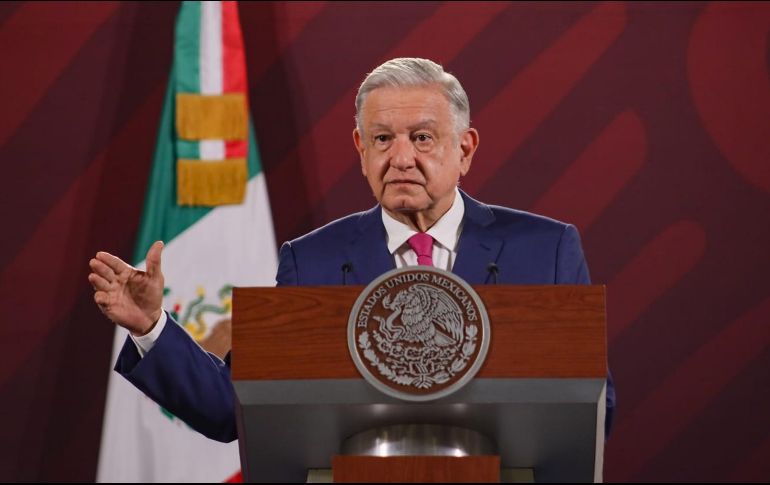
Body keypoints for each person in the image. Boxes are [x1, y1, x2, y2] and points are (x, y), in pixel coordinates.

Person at [89, 58, 615, 443]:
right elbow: (235, 409)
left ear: (466, 149)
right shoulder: (312, 260)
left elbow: (596, 408)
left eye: (423, 138)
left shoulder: (545, 250)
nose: (402, 157)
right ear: (361, 151)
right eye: (383, 139)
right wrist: (152, 325)